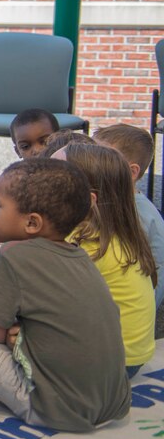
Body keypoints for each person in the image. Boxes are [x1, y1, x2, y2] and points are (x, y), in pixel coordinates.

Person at [0, 158, 131, 430]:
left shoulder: (12, 255)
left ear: (32, 223)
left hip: (54, 407)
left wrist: (7, 333)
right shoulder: (78, 253)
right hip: (114, 402)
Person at [58, 143, 157, 377]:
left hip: (106, 364)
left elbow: (47, 302)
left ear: (87, 198)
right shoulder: (115, 234)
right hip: (131, 358)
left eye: (51, 173)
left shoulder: (83, 241)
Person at [0, 109, 59, 281]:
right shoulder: (18, 177)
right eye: (26, 146)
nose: (36, 150)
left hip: (44, 244)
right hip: (18, 236)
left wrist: (4, 240)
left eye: (44, 142)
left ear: (58, 138)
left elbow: (50, 228)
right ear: (17, 151)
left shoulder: (64, 179)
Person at [93, 123, 164, 310]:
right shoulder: (120, 199)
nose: (93, 164)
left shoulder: (136, 212)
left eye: (103, 159)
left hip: (133, 307)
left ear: (132, 172)